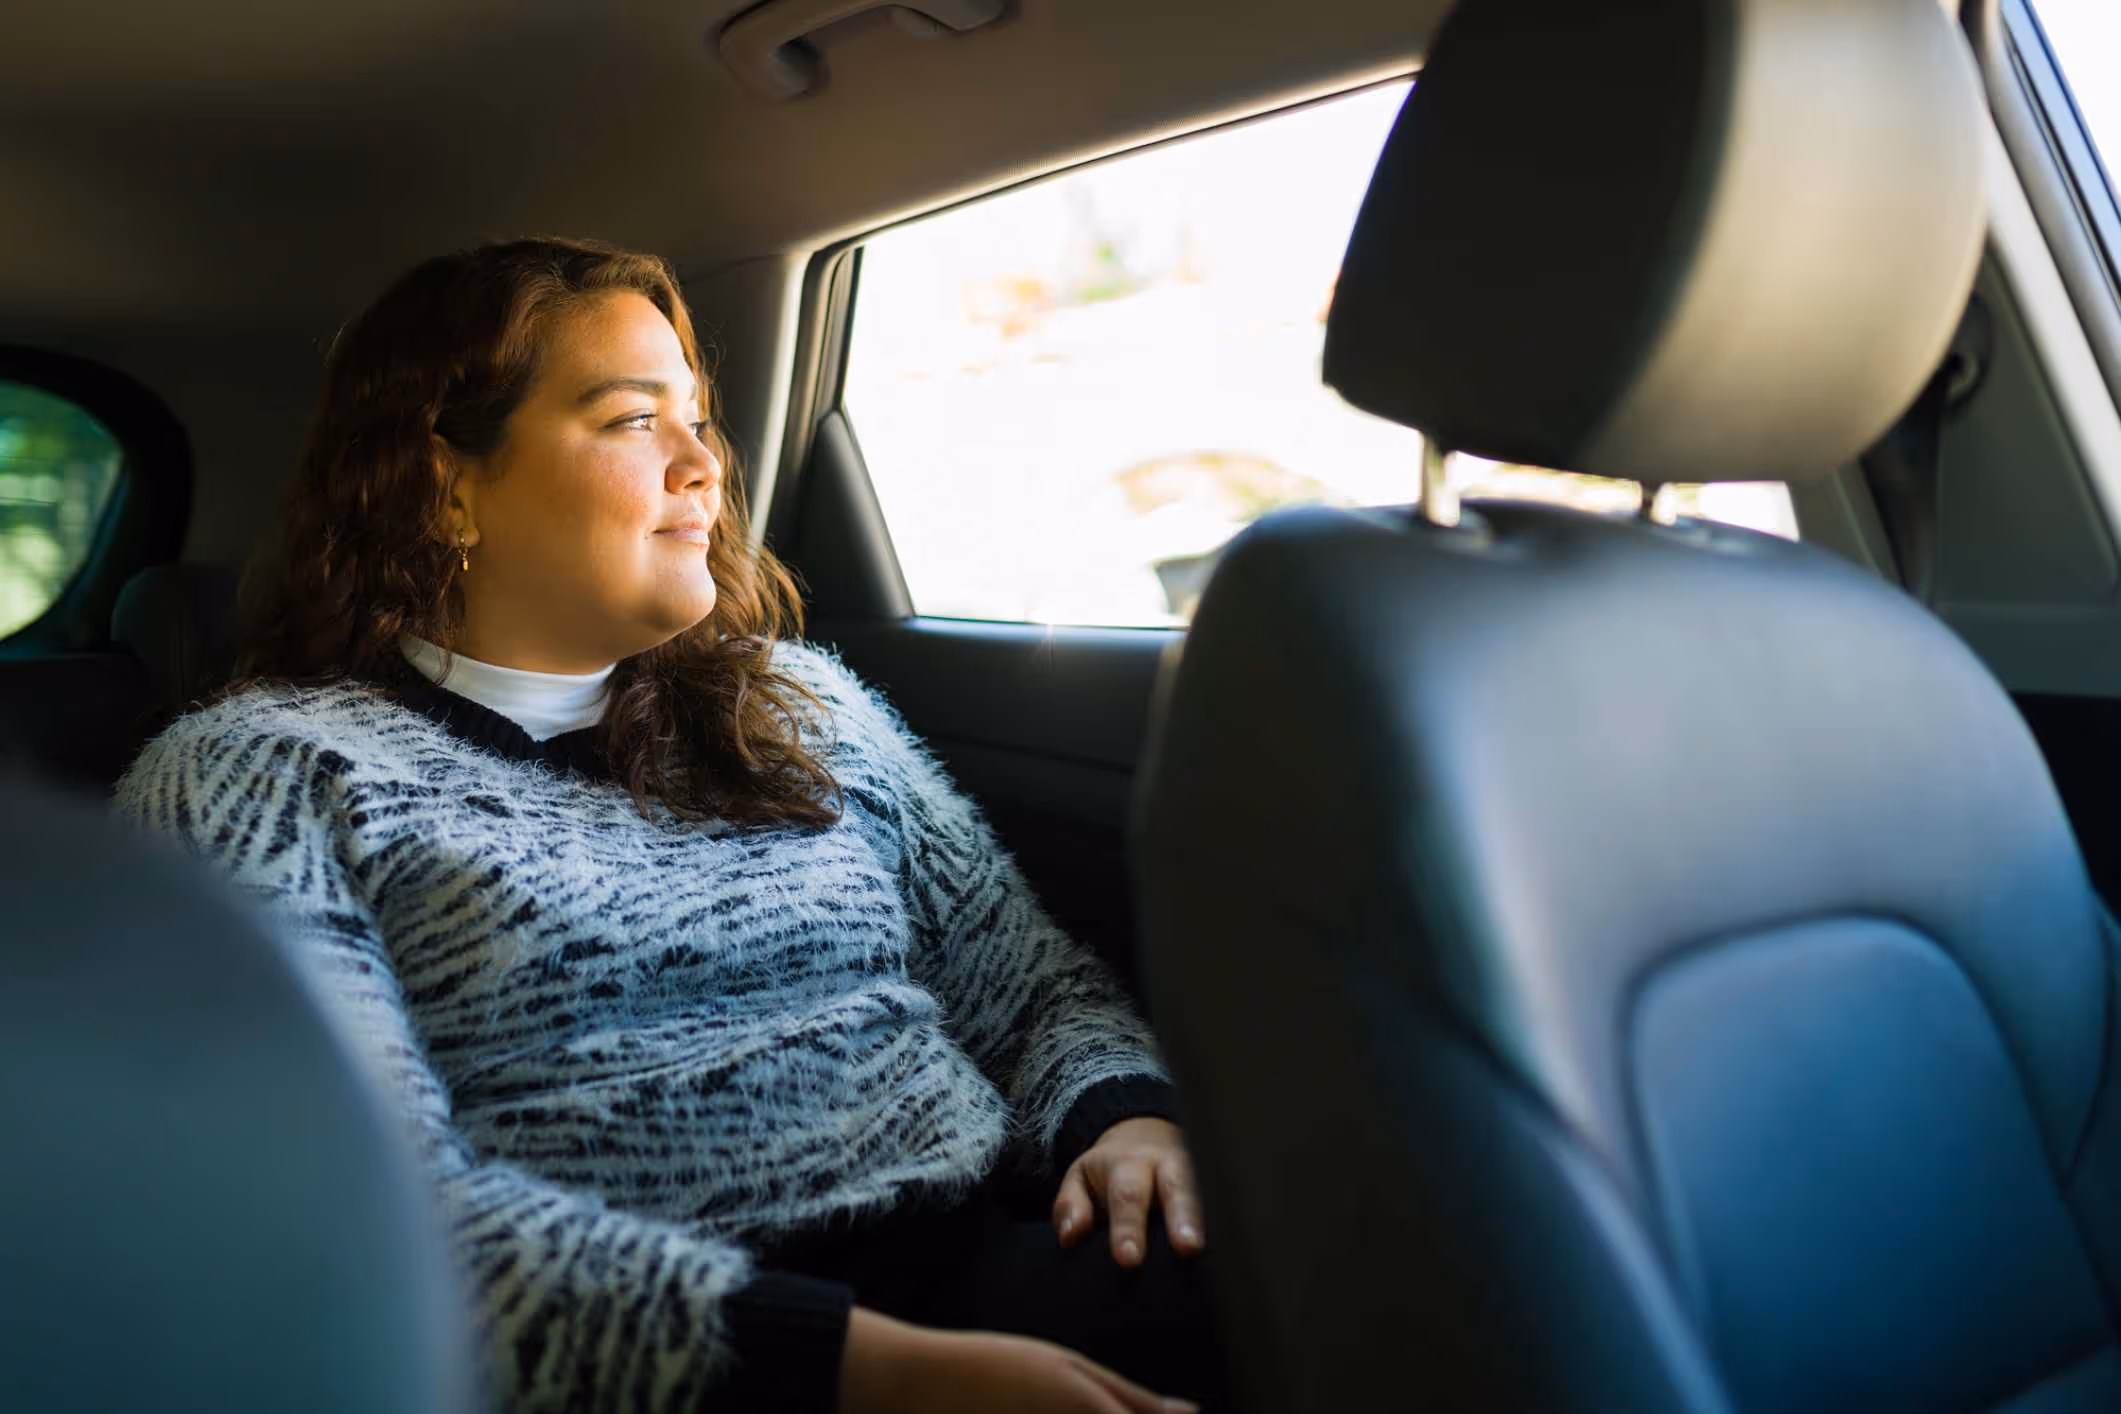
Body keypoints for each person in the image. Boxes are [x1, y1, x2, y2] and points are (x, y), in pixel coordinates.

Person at [114, 236, 1232, 1414]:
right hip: (654, 1362)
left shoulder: (804, 704)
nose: (703, 464)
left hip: (1004, 1255)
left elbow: (1034, 990)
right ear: (446, 482)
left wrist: (1127, 1115)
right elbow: (352, 1200)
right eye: (632, 421)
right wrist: (854, 1370)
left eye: (699, 419)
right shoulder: (257, 772)